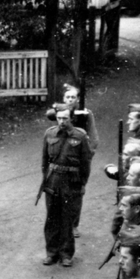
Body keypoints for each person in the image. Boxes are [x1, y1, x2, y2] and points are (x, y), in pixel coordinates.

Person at [41, 103, 93, 267]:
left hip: (71, 183)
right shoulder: (49, 134)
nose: (62, 121)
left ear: (71, 118)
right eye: (59, 118)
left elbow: (85, 163)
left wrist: (82, 184)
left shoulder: (80, 136)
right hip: (53, 182)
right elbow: (44, 161)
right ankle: (51, 253)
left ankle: (66, 254)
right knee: (51, 219)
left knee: (67, 219)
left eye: (65, 118)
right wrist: (46, 180)